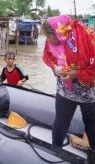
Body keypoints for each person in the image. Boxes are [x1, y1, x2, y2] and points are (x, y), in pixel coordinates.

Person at [42, 15, 95, 164]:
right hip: (66, 91)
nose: (49, 41)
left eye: (49, 37)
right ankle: (54, 155)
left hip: (89, 93)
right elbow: (49, 57)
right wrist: (54, 69)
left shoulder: (86, 38)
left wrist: (77, 73)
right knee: (60, 124)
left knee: (92, 127)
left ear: (58, 32)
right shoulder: (52, 41)